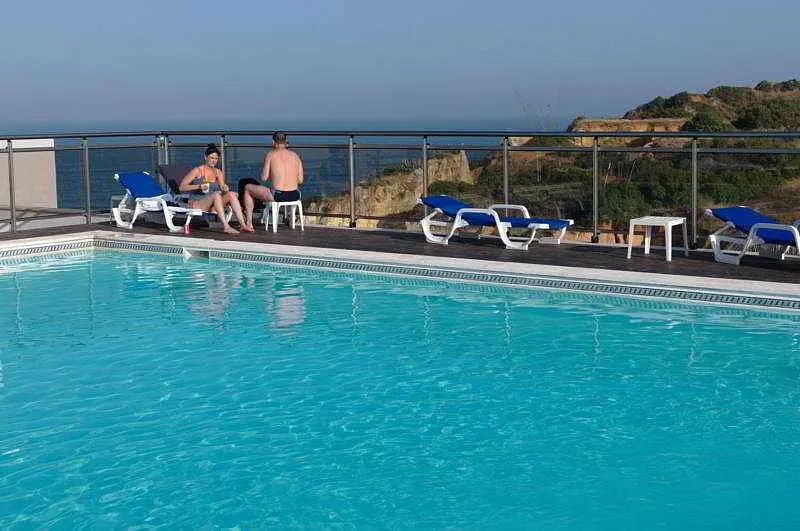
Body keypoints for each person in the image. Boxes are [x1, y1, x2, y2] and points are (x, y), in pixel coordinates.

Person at [179, 144, 251, 233]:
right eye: (212, 158)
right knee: (216, 195)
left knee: (231, 194)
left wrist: (225, 188)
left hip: (213, 204)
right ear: (205, 157)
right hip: (197, 203)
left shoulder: (218, 172)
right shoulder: (197, 170)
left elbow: (222, 187)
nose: (214, 161)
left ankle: (243, 225)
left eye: (216, 158)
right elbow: (182, 187)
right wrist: (199, 186)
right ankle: (226, 226)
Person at [242, 132, 304, 231]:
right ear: (286, 142)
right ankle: (290, 219)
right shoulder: (296, 157)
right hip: (295, 195)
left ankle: (249, 223)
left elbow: (264, 178)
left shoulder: (271, 155)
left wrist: (272, 175)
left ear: (273, 142)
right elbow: (300, 180)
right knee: (279, 191)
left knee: (247, 188)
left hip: (278, 195)